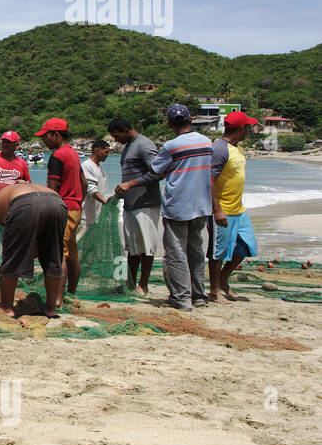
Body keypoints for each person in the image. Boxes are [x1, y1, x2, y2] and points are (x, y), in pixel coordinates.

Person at [115, 104, 213, 311]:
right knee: (195, 250)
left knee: (176, 252)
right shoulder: (207, 142)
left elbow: (155, 173)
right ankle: (199, 296)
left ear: (169, 123)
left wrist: (130, 183)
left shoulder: (171, 146)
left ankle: (181, 299)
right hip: (202, 204)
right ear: (191, 119)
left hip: (178, 204)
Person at [0, 181, 67, 319]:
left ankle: (6, 307)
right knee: (52, 257)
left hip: (25, 203)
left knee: (11, 259)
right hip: (57, 203)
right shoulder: (10, 193)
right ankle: (51, 308)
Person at [107, 118, 163, 296]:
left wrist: (131, 184)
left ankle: (143, 285)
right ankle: (130, 283)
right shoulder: (127, 147)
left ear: (125, 130)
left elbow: (158, 172)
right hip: (131, 204)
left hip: (146, 203)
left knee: (147, 246)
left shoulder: (144, 145)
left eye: (117, 136)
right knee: (132, 247)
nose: (116, 140)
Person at [208, 111, 259, 303]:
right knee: (218, 252)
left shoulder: (235, 147)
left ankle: (223, 280)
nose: (249, 130)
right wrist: (217, 210)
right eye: (248, 127)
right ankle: (214, 291)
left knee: (246, 246)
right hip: (224, 210)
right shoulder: (220, 149)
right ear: (240, 128)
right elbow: (210, 179)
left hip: (239, 209)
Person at [37, 117, 86, 307]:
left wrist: (47, 210)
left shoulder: (57, 156)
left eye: (46, 137)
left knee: (58, 253)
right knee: (72, 252)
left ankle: (57, 298)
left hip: (63, 209)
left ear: (56, 135)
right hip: (75, 208)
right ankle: (71, 292)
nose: (44, 141)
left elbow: (52, 187)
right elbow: (83, 182)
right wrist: (77, 202)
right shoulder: (73, 154)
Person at [79, 139, 111, 238]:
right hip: (85, 217)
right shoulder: (87, 165)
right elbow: (91, 189)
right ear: (97, 150)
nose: (107, 155)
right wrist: (105, 201)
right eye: (106, 152)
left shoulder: (101, 168)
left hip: (95, 216)